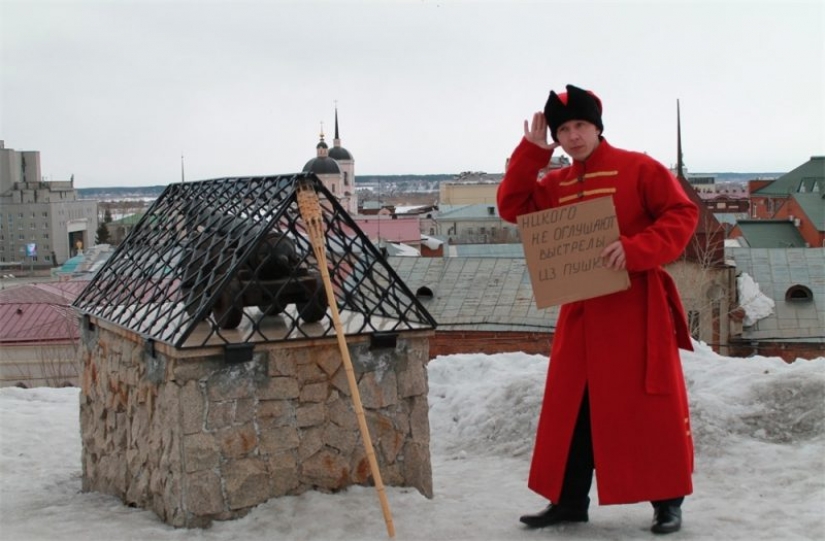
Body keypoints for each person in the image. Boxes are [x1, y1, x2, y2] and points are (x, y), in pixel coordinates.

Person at [496, 84, 699, 535]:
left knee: (650, 408)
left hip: (636, 308)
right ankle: (569, 501)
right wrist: (531, 153)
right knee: (575, 409)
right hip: (582, 311)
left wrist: (637, 248)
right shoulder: (556, 184)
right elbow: (512, 207)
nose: (572, 136)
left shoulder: (640, 167)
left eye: (580, 126)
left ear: (597, 127)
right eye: (563, 130)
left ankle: (668, 502)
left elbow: (682, 215)